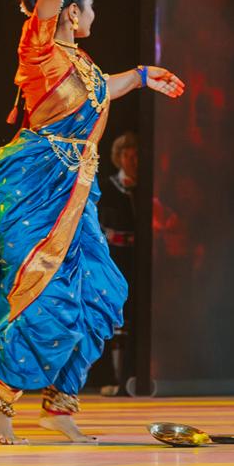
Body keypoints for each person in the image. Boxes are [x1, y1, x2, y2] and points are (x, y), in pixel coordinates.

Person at [0, 0, 185, 444]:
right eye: (91, 7)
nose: (94, 15)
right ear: (72, 14)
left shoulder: (84, 64)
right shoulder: (39, 50)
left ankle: (60, 406)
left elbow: (103, 88)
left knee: (100, 291)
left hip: (78, 193)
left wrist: (143, 76)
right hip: (37, 186)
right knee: (43, 293)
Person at [98, 131, 139, 394]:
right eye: (128, 156)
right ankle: (110, 378)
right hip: (113, 259)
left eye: (137, 157)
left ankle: (132, 375)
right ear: (118, 158)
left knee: (135, 316)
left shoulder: (147, 189)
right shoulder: (107, 187)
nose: (133, 161)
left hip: (139, 261)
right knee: (111, 316)